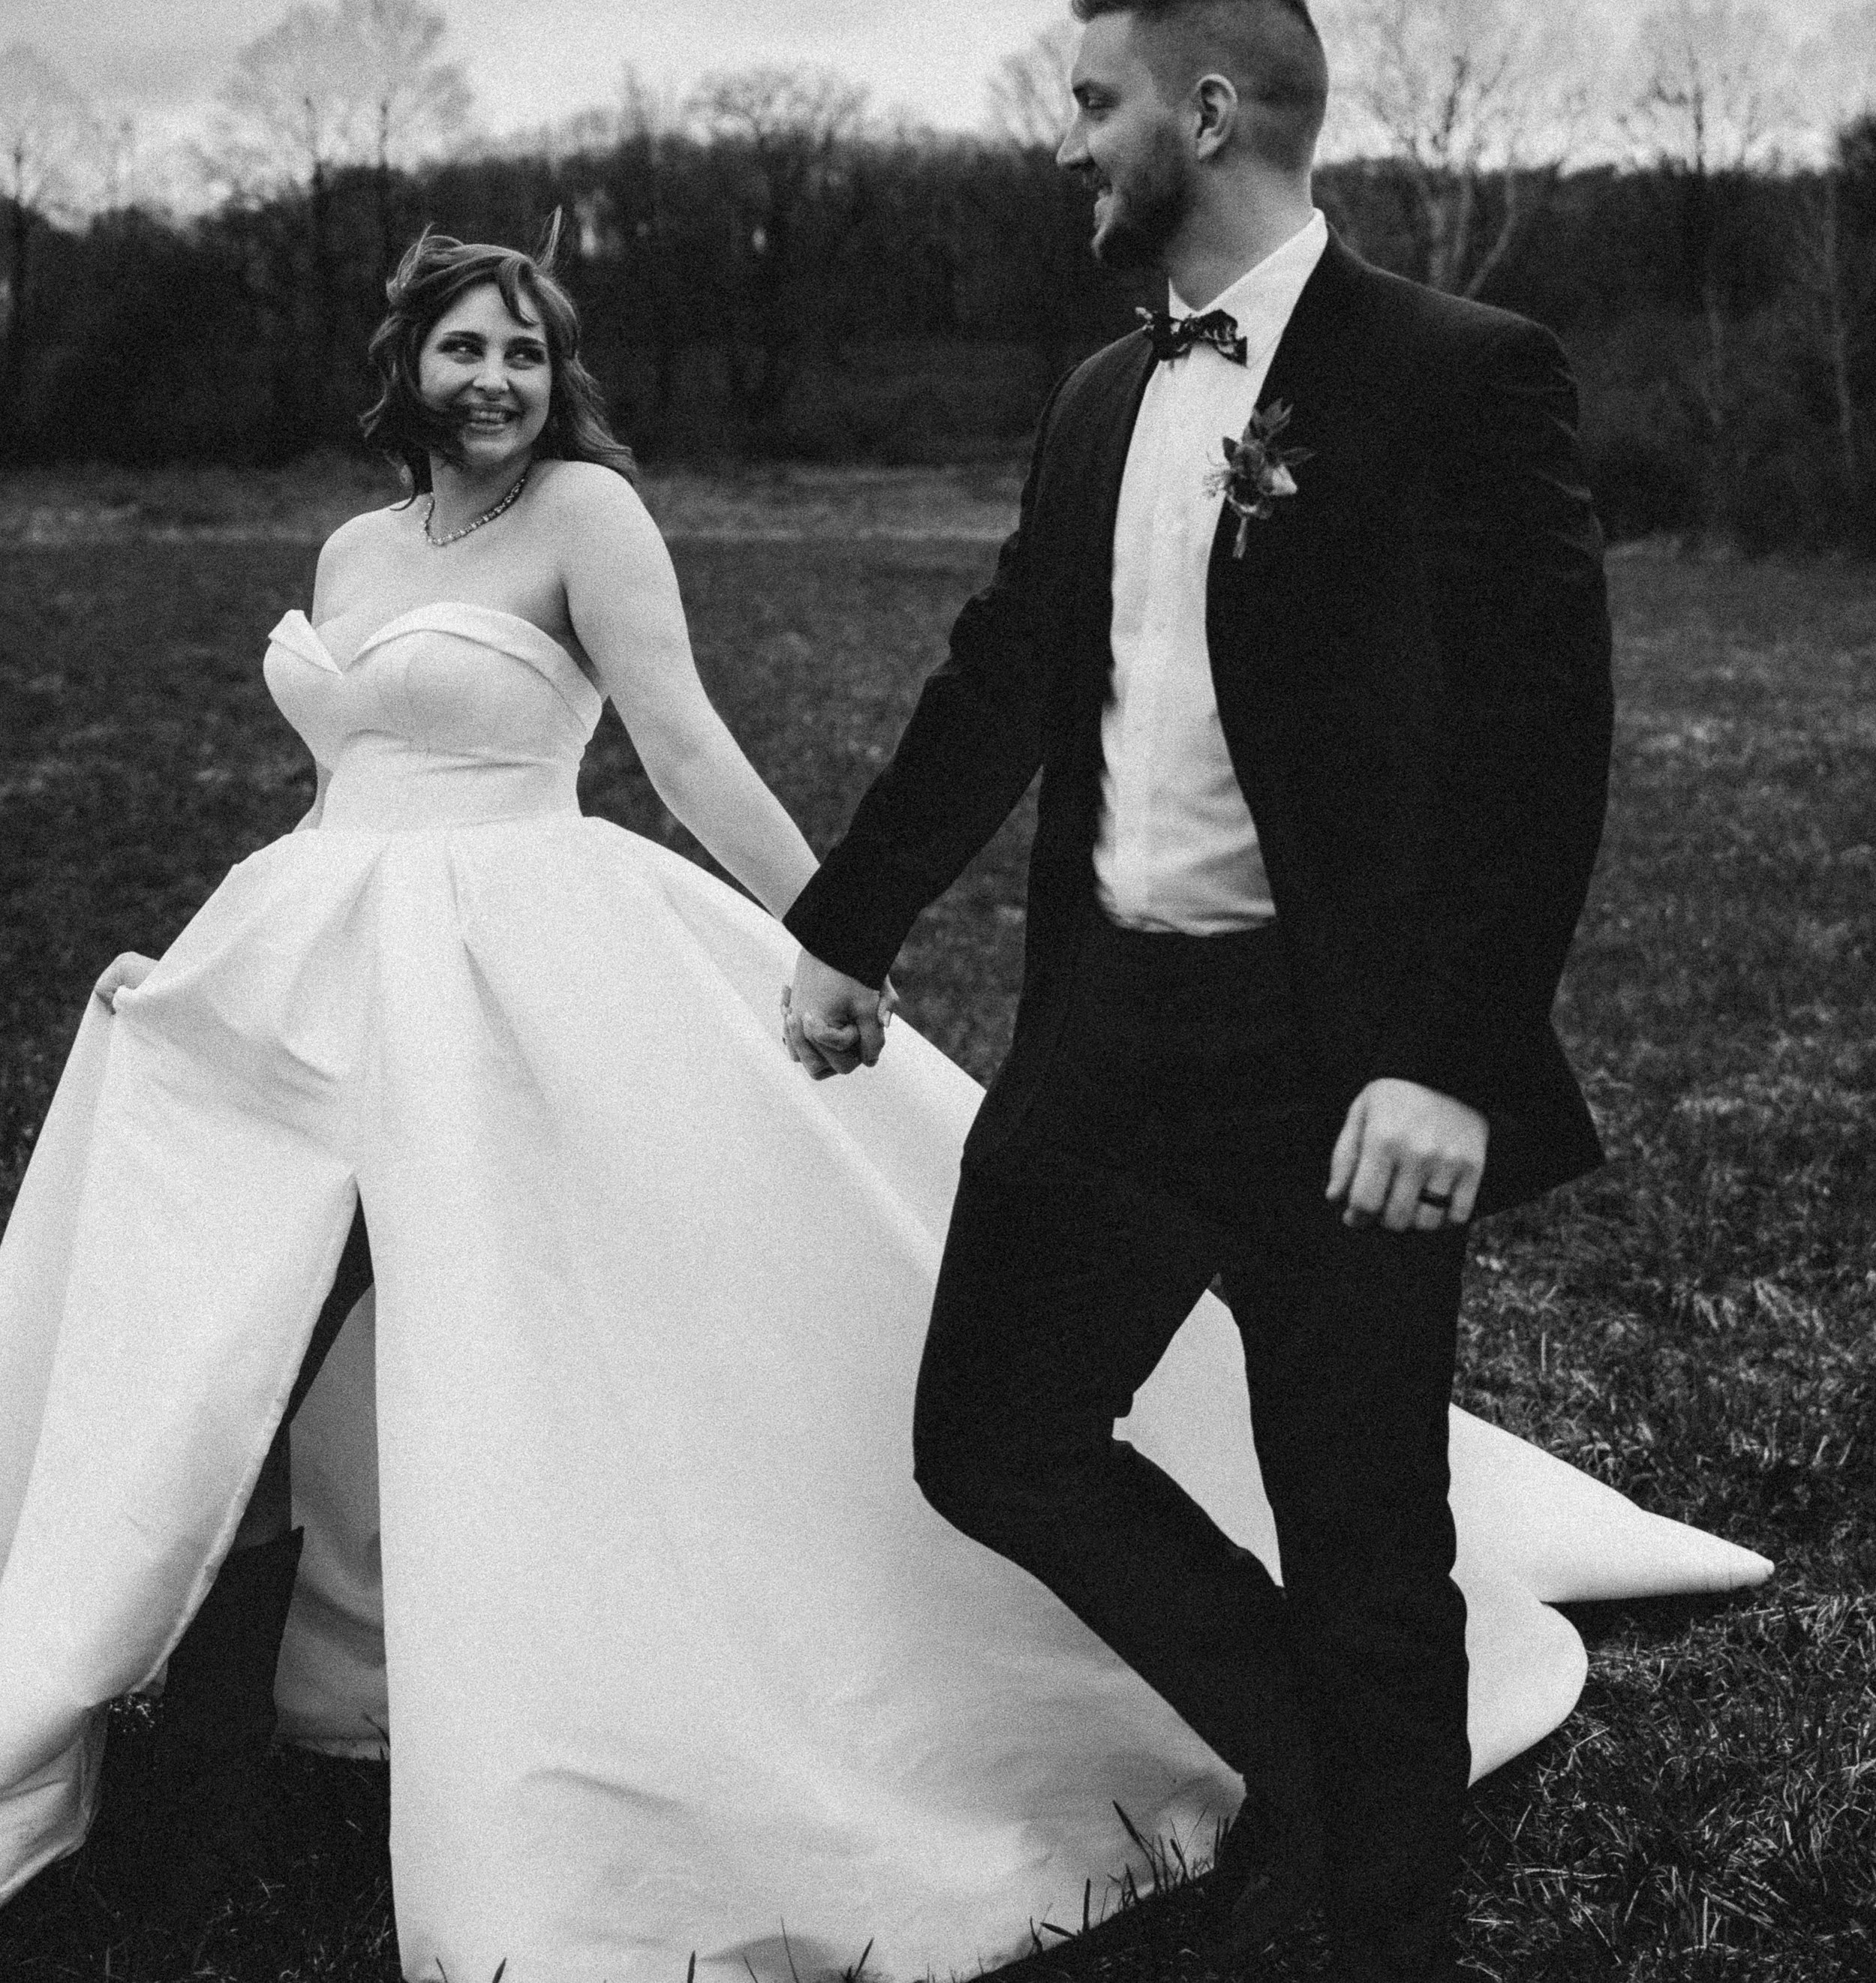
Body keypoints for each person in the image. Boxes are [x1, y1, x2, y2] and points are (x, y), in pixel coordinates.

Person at [0, 213, 1768, 1983]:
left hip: (511, 974)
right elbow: (344, 792)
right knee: (253, 1330)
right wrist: (207, 987)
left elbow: (682, 741)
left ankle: (548, 1723)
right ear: (404, 363)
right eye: (466, 348)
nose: (498, 381)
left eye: (527, 352)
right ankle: (201, 1775)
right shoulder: (355, 543)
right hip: (315, 974)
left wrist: (828, 932)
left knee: (525, 1334)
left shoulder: (587, 518)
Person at [783, 0, 1618, 1980]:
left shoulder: (1450, 368)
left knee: (1363, 1546)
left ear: (1208, 114)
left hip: (1340, 1066)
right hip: (1111, 1035)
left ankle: (1385, 1929)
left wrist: (1445, 1055)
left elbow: (1539, 736)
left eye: (1091, 99)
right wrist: (846, 922)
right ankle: (1315, 1774)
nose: (1067, 135)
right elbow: (1002, 678)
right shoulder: (1097, 396)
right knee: (990, 1434)